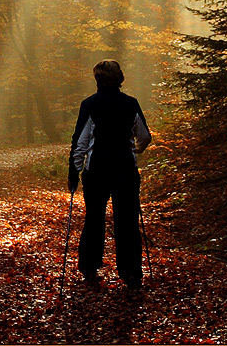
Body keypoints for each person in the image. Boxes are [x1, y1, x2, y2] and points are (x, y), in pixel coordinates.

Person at [68, 60, 152, 291]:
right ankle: (131, 272)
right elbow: (145, 136)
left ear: (98, 79)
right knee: (127, 222)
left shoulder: (90, 104)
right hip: (125, 170)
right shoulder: (131, 104)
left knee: (94, 219)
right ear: (120, 78)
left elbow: (81, 143)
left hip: (96, 172)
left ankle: (89, 266)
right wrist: (134, 151)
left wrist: (74, 171)